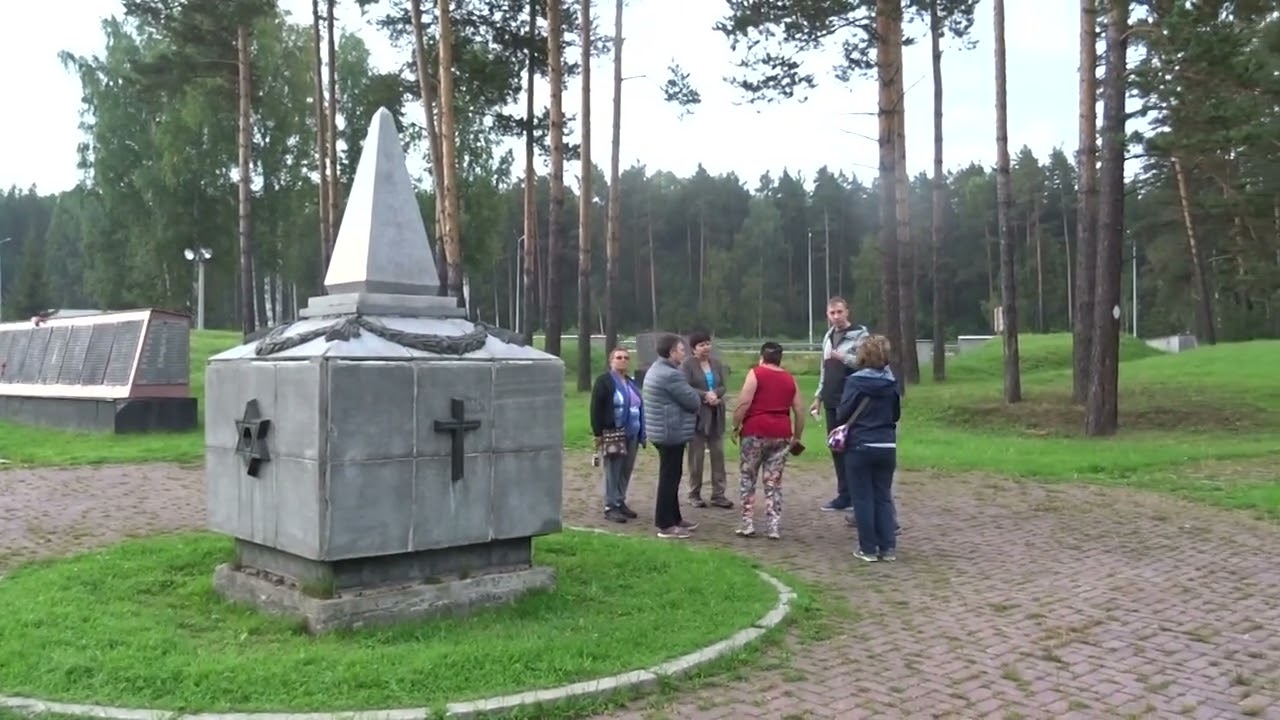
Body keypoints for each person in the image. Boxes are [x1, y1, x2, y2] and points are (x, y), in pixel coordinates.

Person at [835, 335, 902, 562]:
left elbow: (843, 413)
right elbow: (895, 414)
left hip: (860, 443)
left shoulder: (855, 382)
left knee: (863, 497)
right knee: (883, 496)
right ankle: (888, 547)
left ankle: (868, 548)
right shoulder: (892, 383)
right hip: (886, 444)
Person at [731, 341, 804, 540]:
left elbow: (744, 402)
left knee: (748, 477)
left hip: (755, 430)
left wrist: (736, 425)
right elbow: (799, 409)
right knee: (773, 481)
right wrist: (797, 435)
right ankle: (773, 526)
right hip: (781, 432)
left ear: (762, 357)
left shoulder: (756, 373)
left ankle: (747, 523)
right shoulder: (790, 378)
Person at [641, 333, 708, 539]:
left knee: (672, 475)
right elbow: (692, 401)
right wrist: (696, 397)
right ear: (671, 352)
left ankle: (675, 517)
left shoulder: (658, 369)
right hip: (670, 431)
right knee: (669, 478)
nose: (684, 353)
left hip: (663, 430)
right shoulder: (671, 375)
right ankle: (665, 524)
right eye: (681, 349)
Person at [808, 297, 869, 512]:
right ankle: (844, 495)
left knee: (852, 448)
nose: (836, 317)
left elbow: (865, 363)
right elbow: (824, 370)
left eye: (839, 312)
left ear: (847, 312)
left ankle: (858, 494)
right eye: (832, 313)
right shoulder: (828, 336)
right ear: (827, 315)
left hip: (851, 400)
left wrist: (841, 357)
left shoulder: (860, 335)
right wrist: (818, 396)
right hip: (831, 399)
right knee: (836, 446)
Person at [589, 346, 645, 524]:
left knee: (626, 469)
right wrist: (598, 433)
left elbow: (639, 405)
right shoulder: (604, 381)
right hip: (614, 432)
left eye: (626, 358)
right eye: (618, 357)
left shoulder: (630, 382)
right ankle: (610, 506)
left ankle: (620, 501)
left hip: (632, 432)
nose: (622, 360)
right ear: (611, 361)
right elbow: (596, 408)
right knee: (613, 470)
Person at [681, 331, 732, 509]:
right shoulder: (687, 365)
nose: (705, 348)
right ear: (693, 348)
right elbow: (684, 387)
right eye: (701, 345)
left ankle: (719, 494)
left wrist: (716, 394)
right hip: (697, 415)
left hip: (716, 413)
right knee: (697, 457)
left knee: (718, 454)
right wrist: (704, 395)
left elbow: (723, 386)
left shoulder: (716, 363)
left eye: (707, 344)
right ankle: (694, 493)